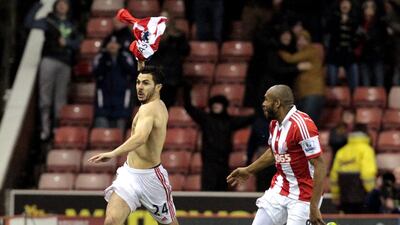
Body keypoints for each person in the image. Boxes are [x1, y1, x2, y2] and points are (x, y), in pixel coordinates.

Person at [88, 64, 179, 225]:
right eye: (138, 82)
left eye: (145, 83)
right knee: (111, 221)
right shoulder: (152, 105)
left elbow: (140, 138)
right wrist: (142, 66)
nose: (139, 87)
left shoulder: (151, 109)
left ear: (158, 87)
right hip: (129, 175)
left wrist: (113, 153)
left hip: (152, 179)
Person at [227, 85, 326, 225]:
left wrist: (314, 206)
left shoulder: (302, 125)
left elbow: (320, 165)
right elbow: (274, 152)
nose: (263, 104)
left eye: (266, 100)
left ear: (277, 103)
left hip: (303, 196)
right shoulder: (274, 124)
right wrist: (248, 170)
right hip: (280, 189)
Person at [25, 0, 81, 141]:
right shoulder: (49, 21)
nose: (62, 6)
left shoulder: (72, 24)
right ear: (55, 6)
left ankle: (57, 128)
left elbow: (78, 42)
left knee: (60, 98)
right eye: (59, 4)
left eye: (65, 4)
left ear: (68, 7)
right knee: (45, 98)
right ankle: (45, 129)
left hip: (65, 63)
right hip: (49, 60)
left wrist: (67, 43)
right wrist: (38, 5)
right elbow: (29, 23)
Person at [184, 85, 255, 191]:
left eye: (219, 104)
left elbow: (249, 119)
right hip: (209, 163)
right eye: (214, 104)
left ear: (224, 106)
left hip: (224, 162)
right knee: (208, 191)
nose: (216, 106)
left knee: (221, 191)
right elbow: (189, 107)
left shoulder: (229, 121)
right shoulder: (206, 119)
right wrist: (186, 89)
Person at [92, 36, 137, 133]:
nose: (112, 46)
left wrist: (120, 57)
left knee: (119, 135)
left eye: (115, 43)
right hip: (103, 102)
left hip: (122, 102)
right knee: (102, 134)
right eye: (110, 43)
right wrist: (106, 58)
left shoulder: (126, 56)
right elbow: (96, 72)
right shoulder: (101, 57)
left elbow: (132, 71)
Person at [329, 124, 377, 213]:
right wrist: (372, 193)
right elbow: (368, 174)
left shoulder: (341, 151)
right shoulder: (367, 150)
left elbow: (334, 176)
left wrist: (336, 196)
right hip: (362, 199)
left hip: (344, 199)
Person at [279, 30, 325, 124]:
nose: (300, 42)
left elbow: (291, 58)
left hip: (312, 94)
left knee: (305, 126)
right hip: (306, 95)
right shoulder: (305, 55)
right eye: (298, 40)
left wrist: (278, 50)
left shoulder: (310, 50)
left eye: (303, 39)